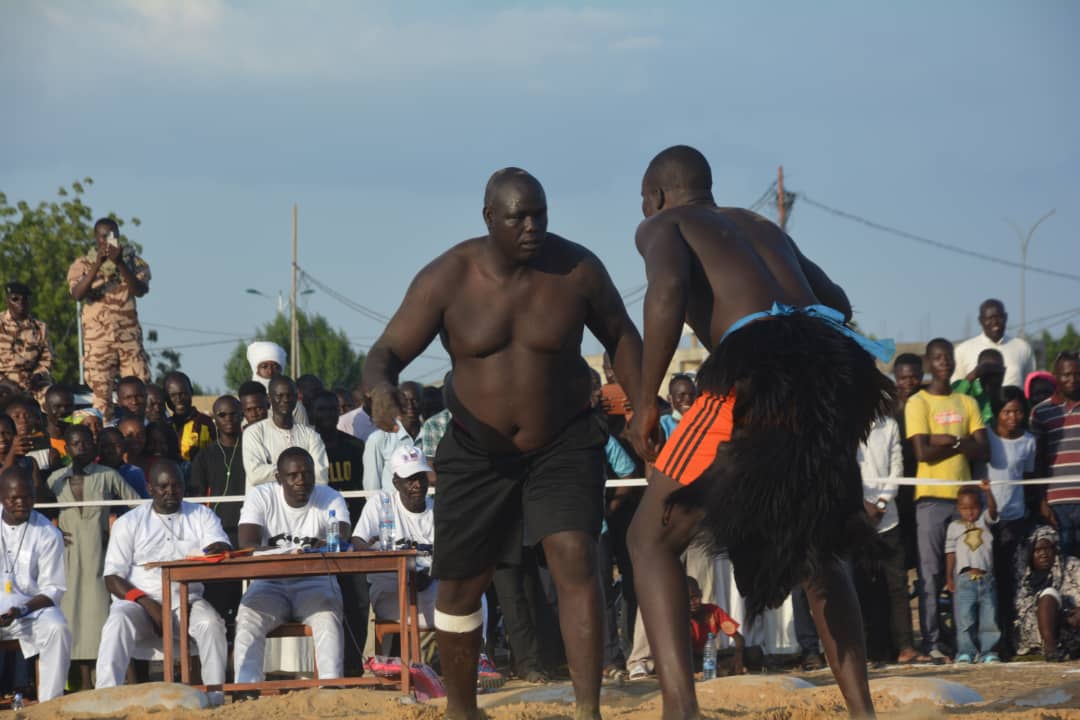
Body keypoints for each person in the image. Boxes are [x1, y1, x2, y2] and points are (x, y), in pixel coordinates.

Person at [362, 167, 644, 720]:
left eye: (540, 213)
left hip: (562, 440)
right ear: (489, 217)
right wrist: (379, 389)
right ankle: (462, 709)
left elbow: (623, 334)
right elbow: (385, 352)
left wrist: (645, 404)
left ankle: (589, 709)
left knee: (574, 556)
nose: (532, 226)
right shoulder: (447, 278)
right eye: (519, 216)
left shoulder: (578, 269)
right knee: (461, 585)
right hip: (474, 447)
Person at [623, 145, 892, 719]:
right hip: (827, 374)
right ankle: (862, 712)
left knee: (648, 537)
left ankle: (680, 710)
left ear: (655, 196)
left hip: (751, 373)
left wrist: (646, 401)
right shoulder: (762, 227)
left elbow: (666, 290)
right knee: (818, 542)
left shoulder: (663, 225)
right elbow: (837, 301)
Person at [96, 461, 230, 702]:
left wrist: (217, 548)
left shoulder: (201, 514)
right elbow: (112, 578)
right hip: (139, 602)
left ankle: (215, 698)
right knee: (117, 622)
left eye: (177, 486)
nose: (171, 491)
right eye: (163, 486)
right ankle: (105, 697)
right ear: (150, 489)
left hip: (186, 600)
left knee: (211, 623)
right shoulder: (130, 521)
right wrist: (150, 605)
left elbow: (218, 546)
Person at [233, 447, 350, 686]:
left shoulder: (329, 496)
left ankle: (332, 688)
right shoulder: (260, 496)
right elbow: (246, 543)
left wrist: (330, 541)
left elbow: (341, 536)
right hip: (270, 582)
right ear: (278, 477)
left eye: (307, 474)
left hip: (315, 582)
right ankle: (246, 689)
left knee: (328, 618)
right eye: (293, 475)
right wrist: (288, 553)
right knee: (247, 617)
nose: (301, 481)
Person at [906, 338, 989, 661]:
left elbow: (983, 448)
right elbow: (922, 451)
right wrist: (961, 440)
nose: (944, 363)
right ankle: (933, 642)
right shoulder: (918, 402)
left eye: (948, 357)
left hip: (965, 502)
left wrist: (949, 440)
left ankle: (967, 643)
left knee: (968, 573)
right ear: (928, 362)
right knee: (930, 575)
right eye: (938, 358)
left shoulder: (966, 402)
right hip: (930, 499)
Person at [47, 424, 142, 689]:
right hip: (67, 558)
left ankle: (122, 683)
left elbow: (138, 505)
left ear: (94, 445)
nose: (82, 448)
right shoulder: (55, 479)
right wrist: (51, 530)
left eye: (87, 443)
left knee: (103, 617)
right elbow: (38, 511)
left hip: (100, 556)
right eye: (76, 443)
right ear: (66, 448)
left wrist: (117, 527)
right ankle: (84, 686)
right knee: (72, 616)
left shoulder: (107, 475)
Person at [855, 413, 927, 664]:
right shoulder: (846, 421)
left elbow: (897, 467)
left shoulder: (890, 425)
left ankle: (906, 647)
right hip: (858, 519)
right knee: (861, 587)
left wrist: (882, 502)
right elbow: (845, 469)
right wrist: (864, 506)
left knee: (897, 586)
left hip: (889, 516)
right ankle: (866, 652)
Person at [68, 218, 151, 421]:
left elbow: (140, 290)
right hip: (98, 343)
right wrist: (98, 264)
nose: (108, 240)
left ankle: (141, 433)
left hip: (129, 340)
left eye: (113, 235)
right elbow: (77, 294)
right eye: (104, 236)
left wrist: (120, 262)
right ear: (96, 238)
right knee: (101, 398)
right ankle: (104, 440)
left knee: (139, 393)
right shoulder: (82, 264)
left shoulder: (134, 262)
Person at [0, 466, 71, 702]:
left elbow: (53, 590)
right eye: (13, 498)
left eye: (27, 497)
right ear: (2, 496)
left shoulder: (48, 533)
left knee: (57, 627)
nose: (21, 502)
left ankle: (50, 704)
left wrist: (21, 610)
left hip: (29, 612)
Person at [311, 389, 368, 675]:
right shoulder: (310, 449)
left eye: (332, 410)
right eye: (321, 410)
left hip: (351, 534)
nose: (328, 416)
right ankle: (326, 669)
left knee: (358, 600)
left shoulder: (356, 447)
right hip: (319, 538)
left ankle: (355, 666)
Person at [985, 386, 1036, 654]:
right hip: (984, 519)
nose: (1013, 417)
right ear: (997, 414)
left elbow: (1028, 480)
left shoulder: (1028, 441)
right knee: (985, 578)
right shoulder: (986, 437)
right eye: (1007, 412)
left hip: (1013, 519)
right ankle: (986, 641)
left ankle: (1008, 637)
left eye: (1018, 411)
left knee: (1008, 580)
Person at [188, 396, 246, 627]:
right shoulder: (205, 455)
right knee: (218, 605)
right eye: (222, 415)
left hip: (246, 536)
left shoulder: (252, 450)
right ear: (215, 420)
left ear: (241, 416)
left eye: (233, 413)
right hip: (218, 537)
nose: (229, 419)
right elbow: (196, 500)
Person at [944, 480, 1001, 663]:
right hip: (964, 579)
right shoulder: (954, 527)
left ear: (980, 506)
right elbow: (950, 553)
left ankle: (988, 651)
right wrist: (949, 577)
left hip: (986, 578)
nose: (970, 512)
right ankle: (966, 651)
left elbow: (993, 511)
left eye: (974, 507)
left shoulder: (984, 520)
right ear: (958, 508)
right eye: (964, 508)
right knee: (964, 618)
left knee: (989, 618)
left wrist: (988, 492)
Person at [1032, 351, 1080, 557]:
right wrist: (1041, 501)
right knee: (1063, 567)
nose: (1073, 380)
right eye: (1066, 375)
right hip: (1056, 504)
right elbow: (1037, 461)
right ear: (1056, 376)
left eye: (1077, 374)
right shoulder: (1041, 412)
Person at [242, 376, 328, 490]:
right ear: (269, 398)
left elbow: (321, 477)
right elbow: (255, 475)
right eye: (280, 396)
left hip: (303, 504)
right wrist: (300, 471)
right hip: (265, 504)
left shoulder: (310, 435)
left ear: (296, 397)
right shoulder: (254, 433)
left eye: (290, 395)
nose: (286, 399)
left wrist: (275, 471)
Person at [1013, 525, 1080, 660]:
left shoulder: (1072, 565)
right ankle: (1051, 649)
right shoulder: (1022, 577)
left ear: (1054, 550)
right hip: (1036, 630)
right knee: (1049, 594)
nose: (1043, 554)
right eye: (1037, 550)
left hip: (1072, 623)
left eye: (1047, 548)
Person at [952, 299, 1035, 389]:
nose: (995, 322)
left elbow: (1029, 388)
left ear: (1006, 317)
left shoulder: (1022, 348)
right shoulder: (962, 351)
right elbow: (956, 391)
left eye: (999, 317)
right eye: (990, 318)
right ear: (980, 321)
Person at [362, 381, 423, 492]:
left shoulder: (430, 434)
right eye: (404, 401)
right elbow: (372, 487)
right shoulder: (378, 439)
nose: (410, 406)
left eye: (415, 400)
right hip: (390, 507)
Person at [0, 282, 53, 405]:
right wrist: (5, 382)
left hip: (33, 382)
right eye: (15, 299)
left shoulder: (40, 328)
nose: (21, 303)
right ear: (7, 301)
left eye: (25, 299)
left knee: (54, 398)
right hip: (4, 382)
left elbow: (47, 359)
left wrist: (38, 376)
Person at [686, 576, 743, 676]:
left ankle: (724, 667)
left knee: (754, 654)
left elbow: (738, 638)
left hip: (711, 655)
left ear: (701, 593)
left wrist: (738, 656)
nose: (692, 603)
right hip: (692, 658)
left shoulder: (713, 611)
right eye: (687, 599)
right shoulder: (680, 618)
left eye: (695, 597)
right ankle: (720, 669)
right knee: (691, 664)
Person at [245, 341, 309, 425]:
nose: (270, 371)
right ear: (256, 370)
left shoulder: (293, 405)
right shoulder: (245, 402)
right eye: (264, 367)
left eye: (275, 367)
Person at [163, 371, 214, 462]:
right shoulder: (165, 425)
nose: (179, 399)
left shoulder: (204, 423)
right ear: (166, 398)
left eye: (183, 394)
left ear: (191, 392)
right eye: (173, 395)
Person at [951, 348, 1005, 425]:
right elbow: (949, 402)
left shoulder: (1008, 395)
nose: (992, 374)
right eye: (987, 369)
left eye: (996, 370)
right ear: (978, 369)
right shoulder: (967, 388)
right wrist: (971, 377)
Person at [98, 426, 149, 498]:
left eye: (117, 445)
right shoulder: (91, 473)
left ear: (124, 447)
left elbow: (145, 502)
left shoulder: (135, 473)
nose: (111, 450)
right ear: (97, 448)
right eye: (105, 446)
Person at [43, 385, 74, 460]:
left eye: (68, 406)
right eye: (57, 406)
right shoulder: (40, 442)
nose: (63, 411)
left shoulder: (82, 440)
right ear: (45, 407)